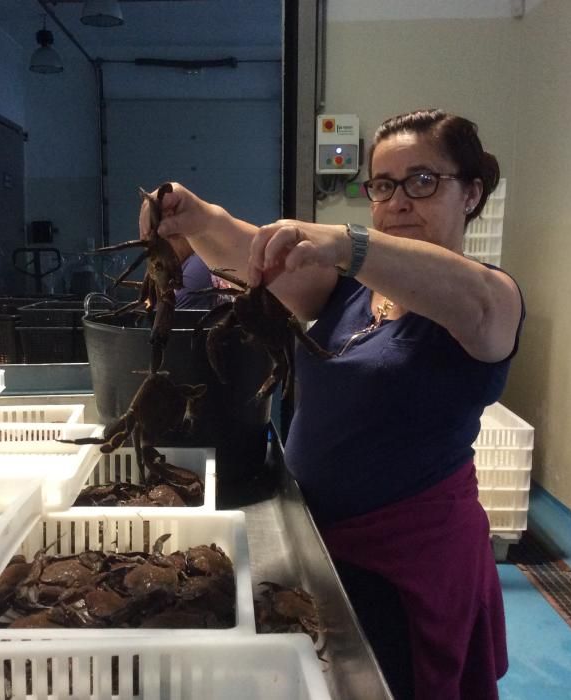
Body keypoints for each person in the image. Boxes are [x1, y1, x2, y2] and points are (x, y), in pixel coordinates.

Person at [141, 109, 524, 699]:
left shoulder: (487, 299)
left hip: (410, 568)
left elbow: (468, 295)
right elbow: (250, 257)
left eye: (423, 181)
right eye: (383, 185)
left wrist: (346, 242)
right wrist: (199, 219)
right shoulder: (348, 292)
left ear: (470, 193)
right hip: (322, 543)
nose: (398, 201)